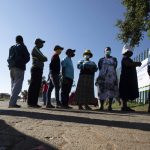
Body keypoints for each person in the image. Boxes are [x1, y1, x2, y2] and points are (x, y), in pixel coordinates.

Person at [7, 35, 30, 108]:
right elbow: (27, 57)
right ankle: (12, 103)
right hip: (19, 67)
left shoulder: (11, 47)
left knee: (13, 85)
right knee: (17, 86)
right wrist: (22, 62)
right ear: (22, 40)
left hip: (11, 67)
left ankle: (12, 102)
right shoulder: (22, 46)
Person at [119, 45, 141, 111]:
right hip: (125, 78)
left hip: (128, 78)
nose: (131, 53)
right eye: (130, 52)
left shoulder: (128, 59)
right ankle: (124, 106)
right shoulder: (124, 58)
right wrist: (136, 63)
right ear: (126, 52)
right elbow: (128, 64)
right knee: (124, 92)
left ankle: (125, 106)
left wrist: (135, 64)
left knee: (127, 91)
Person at [95, 47, 118, 111]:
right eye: (106, 50)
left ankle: (110, 106)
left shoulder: (114, 59)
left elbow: (115, 67)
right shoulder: (101, 59)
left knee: (111, 91)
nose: (108, 51)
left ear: (110, 51)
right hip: (103, 77)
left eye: (109, 50)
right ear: (104, 51)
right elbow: (100, 68)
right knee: (102, 91)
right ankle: (101, 106)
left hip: (111, 77)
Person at [27, 38, 47, 108]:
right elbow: (43, 58)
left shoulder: (38, 50)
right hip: (36, 68)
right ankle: (30, 102)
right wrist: (44, 58)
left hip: (39, 69)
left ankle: (34, 103)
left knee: (37, 86)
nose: (42, 44)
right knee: (33, 85)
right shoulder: (35, 49)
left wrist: (43, 58)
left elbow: (43, 58)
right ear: (37, 43)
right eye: (41, 43)